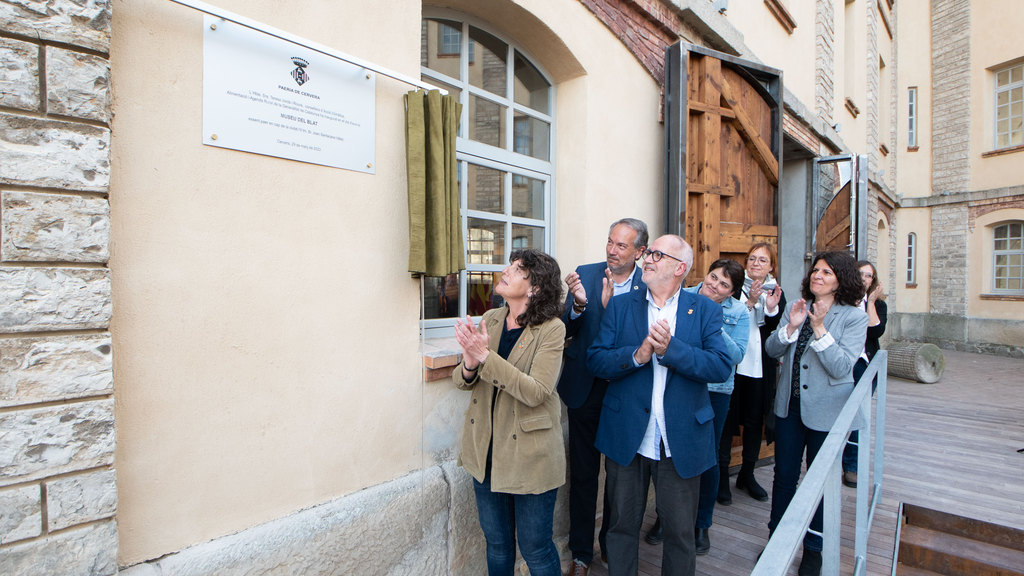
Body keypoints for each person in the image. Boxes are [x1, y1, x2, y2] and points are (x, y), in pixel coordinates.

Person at [587, 235, 733, 576]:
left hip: (680, 439)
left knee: (681, 534)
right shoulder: (622, 306)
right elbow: (596, 360)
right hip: (628, 437)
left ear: (679, 268)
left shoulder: (706, 311)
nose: (647, 259)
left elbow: (720, 366)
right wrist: (636, 357)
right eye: (648, 252)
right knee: (620, 528)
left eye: (656, 254)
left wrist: (671, 351)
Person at [453, 249, 567, 576]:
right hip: (486, 452)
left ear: (534, 289)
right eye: (511, 266)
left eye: (517, 269)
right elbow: (463, 382)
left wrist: (486, 358)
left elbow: (536, 392)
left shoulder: (552, 329)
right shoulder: (490, 319)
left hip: (529, 457)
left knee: (536, 548)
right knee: (498, 545)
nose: (506, 270)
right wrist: (472, 363)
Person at [765, 251, 868, 576]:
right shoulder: (798, 306)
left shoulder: (854, 317)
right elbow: (771, 350)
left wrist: (820, 328)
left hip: (827, 411)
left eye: (826, 271)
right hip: (789, 408)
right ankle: (777, 543)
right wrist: (791, 327)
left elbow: (840, 367)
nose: (817, 276)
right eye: (816, 270)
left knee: (820, 482)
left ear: (841, 279)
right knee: (784, 477)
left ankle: (814, 548)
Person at [560, 218, 649, 576]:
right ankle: (581, 553)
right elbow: (564, 329)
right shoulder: (586, 273)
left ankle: (612, 545)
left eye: (622, 246)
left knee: (619, 478)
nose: (612, 250)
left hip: (624, 391)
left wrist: (612, 308)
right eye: (610, 242)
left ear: (640, 252)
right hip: (584, 388)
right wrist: (579, 306)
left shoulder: (650, 284)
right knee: (583, 476)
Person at [645, 259, 750, 554]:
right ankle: (666, 520)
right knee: (669, 453)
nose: (713, 285)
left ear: (731, 293)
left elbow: (737, 356)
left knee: (708, 458)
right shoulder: (682, 295)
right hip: (681, 382)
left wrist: (710, 319)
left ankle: (701, 524)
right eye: (713, 277)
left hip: (715, 391)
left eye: (723, 285)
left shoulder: (739, 313)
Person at [719, 243, 785, 506]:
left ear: (771, 266)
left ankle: (747, 475)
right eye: (752, 259)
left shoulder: (777, 292)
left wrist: (768, 308)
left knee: (754, 423)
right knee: (726, 421)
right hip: (734, 367)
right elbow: (727, 322)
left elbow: (776, 331)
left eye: (763, 260)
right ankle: (722, 479)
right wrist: (750, 303)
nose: (756, 263)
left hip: (759, 367)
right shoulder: (731, 287)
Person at [841, 260, 888, 488]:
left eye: (869, 276)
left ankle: (851, 466)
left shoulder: (878, 306)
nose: (864, 279)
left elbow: (876, 330)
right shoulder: (842, 300)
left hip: (863, 363)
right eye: (860, 274)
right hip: (842, 362)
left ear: (873, 281)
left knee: (858, 416)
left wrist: (870, 302)